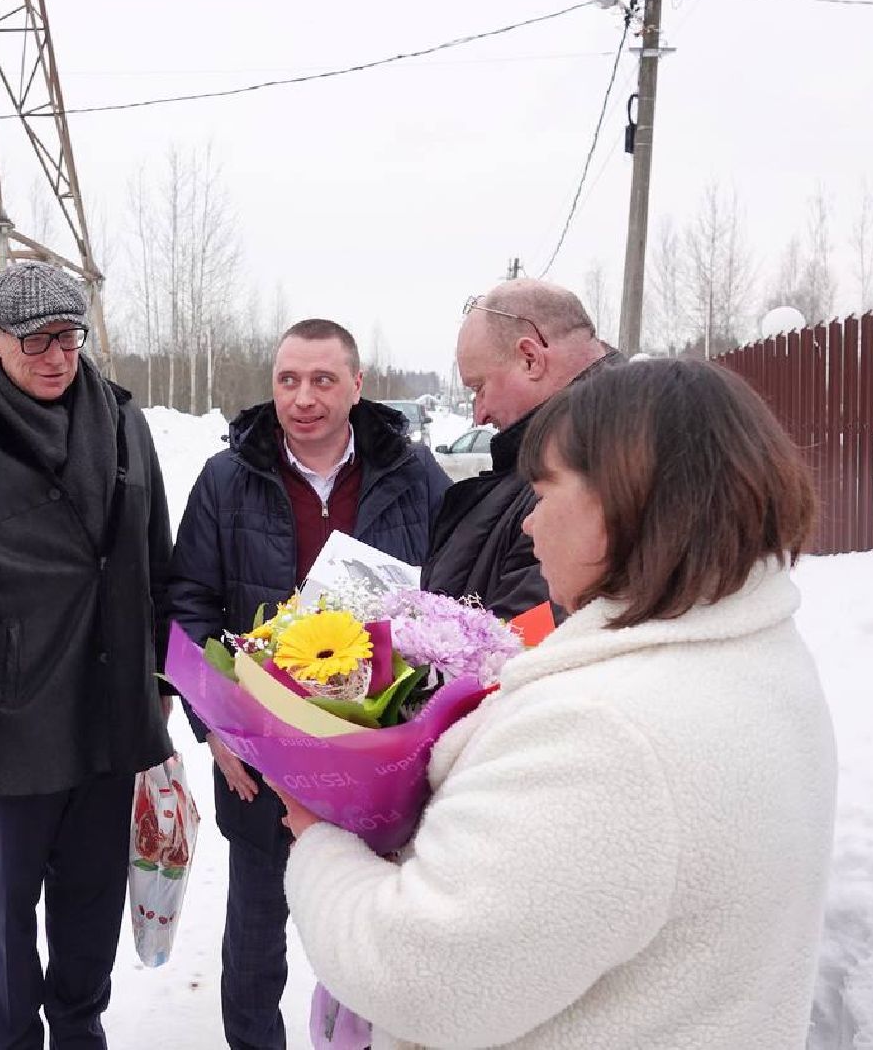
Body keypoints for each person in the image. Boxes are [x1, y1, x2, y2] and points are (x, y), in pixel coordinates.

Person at [276, 358, 838, 1049]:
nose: (529, 526)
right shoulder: (747, 652)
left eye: (543, 494)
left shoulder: (607, 732)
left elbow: (420, 976)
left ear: (623, 498)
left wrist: (317, 839)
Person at [0, 261, 175, 1050]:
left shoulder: (122, 423)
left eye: (69, 336)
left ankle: (80, 1030)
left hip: (112, 718)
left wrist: (159, 681)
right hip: (7, 725)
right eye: (35, 341)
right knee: (8, 911)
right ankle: (10, 1039)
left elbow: (157, 562)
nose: (56, 356)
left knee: (90, 900)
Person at [166, 318, 450, 1049]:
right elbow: (189, 602)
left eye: (323, 379)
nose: (303, 398)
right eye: (288, 379)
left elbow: (450, 595)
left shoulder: (414, 477)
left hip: (379, 765)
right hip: (262, 763)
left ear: (357, 385)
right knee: (255, 943)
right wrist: (217, 730)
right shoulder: (227, 480)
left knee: (375, 943)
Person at [422, 278, 619, 618]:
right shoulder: (564, 448)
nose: (478, 414)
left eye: (479, 387)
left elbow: (527, 640)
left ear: (530, 359)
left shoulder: (597, 460)